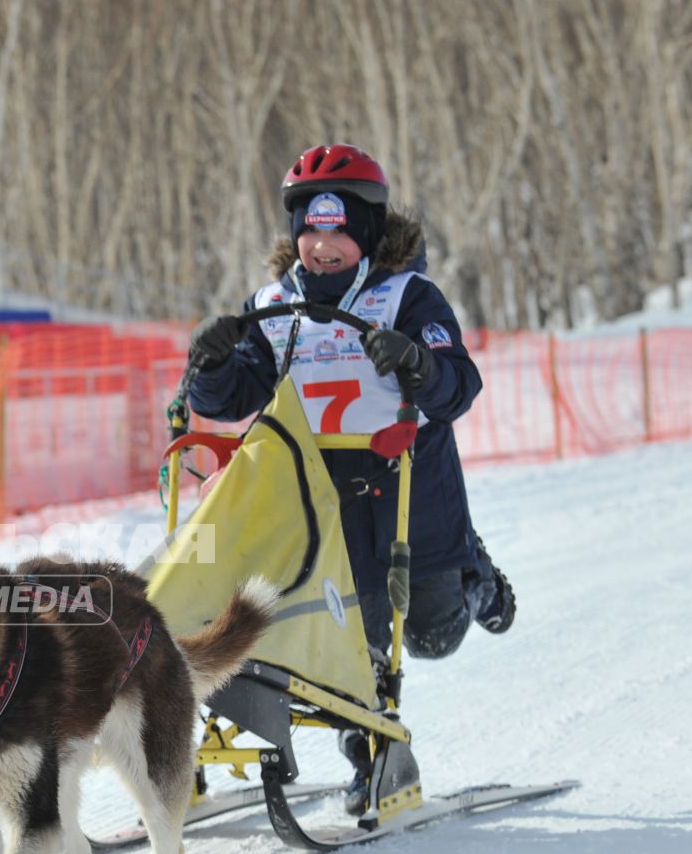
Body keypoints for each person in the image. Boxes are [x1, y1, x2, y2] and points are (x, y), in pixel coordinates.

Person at [185, 144, 514, 809]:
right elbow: (229, 395)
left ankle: (471, 575)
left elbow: (459, 384)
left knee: (432, 635)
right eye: (310, 229)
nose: (323, 245)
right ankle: (368, 749)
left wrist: (418, 362)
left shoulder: (407, 296)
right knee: (347, 642)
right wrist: (213, 363)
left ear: (364, 232)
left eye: (337, 230)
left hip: (407, 501)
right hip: (318, 512)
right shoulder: (274, 305)